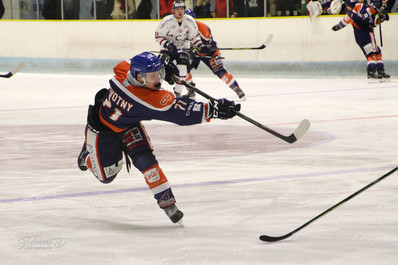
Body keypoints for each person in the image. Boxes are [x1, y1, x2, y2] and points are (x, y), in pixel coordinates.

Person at [77, 51, 241, 224]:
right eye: (153, 76)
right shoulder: (147, 99)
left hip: (127, 124)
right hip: (102, 132)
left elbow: (132, 61)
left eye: (159, 74)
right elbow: (183, 114)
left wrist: (161, 62)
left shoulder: (123, 70)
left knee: (146, 161)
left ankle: (168, 203)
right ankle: (86, 155)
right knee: (106, 177)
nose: (158, 79)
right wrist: (214, 110)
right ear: (139, 77)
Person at [184, 8, 246, 100]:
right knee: (183, 69)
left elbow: (207, 45)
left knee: (221, 72)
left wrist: (196, 50)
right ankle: (190, 90)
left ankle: (237, 89)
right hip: (195, 54)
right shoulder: (181, 29)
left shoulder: (202, 27)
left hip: (210, 53)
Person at [155, 0, 209, 97]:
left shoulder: (190, 21)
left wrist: (200, 46)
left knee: (183, 71)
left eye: (182, 9)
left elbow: (194, 36)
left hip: (183, 49)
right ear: (173, 10)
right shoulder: (166, 21)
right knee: (161, 69)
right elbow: (158, 36)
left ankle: (177, 93)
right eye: (177, 9)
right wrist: (167, 44)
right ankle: (155, 91)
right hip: (167, 50)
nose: (180, 11)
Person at [332, 0, 390, 82]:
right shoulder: (356, 9)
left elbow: (372, 23)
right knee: (371, 53)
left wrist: (381, 19)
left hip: (369, 34)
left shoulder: (363, 8)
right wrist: (337, 26)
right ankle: (371, 72)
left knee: (377, 52)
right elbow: (357, 18)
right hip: (362, 35)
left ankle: (380, 71)